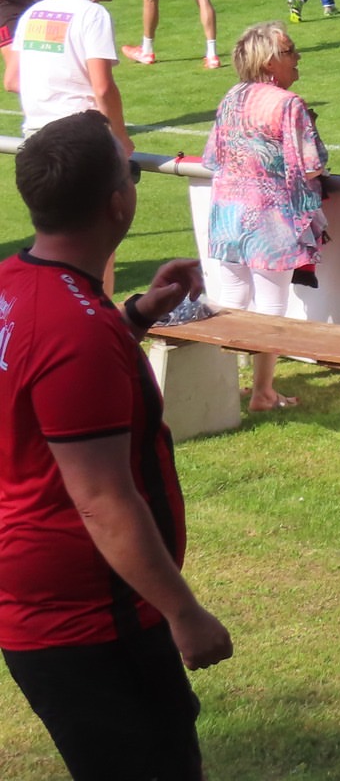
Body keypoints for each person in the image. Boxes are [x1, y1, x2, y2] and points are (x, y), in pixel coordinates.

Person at [0, 111, 234, 781]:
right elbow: (103, 501)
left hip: (43, 605)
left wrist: (136, 315)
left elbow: (46, 382)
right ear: (118, 201)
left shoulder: (17, 284)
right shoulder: (74, 333)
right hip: (90, 620)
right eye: (127, 170)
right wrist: (183, 614)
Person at [203, 21, 327, 412]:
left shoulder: (232, 96)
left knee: (232, 298)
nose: (298, 57)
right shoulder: (288, 104)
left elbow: (211, 157)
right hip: (270, 220)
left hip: (228, 215)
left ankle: (222, 387)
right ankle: (262, 392)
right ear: (271, 61)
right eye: (290, 51)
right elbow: (312, 165)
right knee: (272, 304)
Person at [7, 0, 132, 155]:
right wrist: (120, 137)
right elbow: (102, 88)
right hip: (79, 135)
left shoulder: (33, 12)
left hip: (35, 136)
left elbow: (12, 80)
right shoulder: (94, 14)